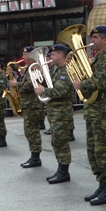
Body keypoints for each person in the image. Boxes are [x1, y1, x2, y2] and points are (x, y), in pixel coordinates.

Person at [73, 25, 106, 206]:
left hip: (105, 111)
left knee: (104, 152)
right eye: (92, 37)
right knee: (93, 151)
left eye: (95, 37)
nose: (91, 41)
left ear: (105, 40)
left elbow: (100, 81)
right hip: (94, 110)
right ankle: (102, 185)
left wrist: (81, 84)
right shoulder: (96, 59)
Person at [34, 44, 74, 184]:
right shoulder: (56, 69)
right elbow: (47, 84)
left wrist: (43, 91)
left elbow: (60, 91)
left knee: (61, 142)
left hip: (61, 112)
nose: (50, 57)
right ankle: (61, 169)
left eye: (53, 54)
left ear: (61, 55)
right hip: (54, 112)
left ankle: (64, 172)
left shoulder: (65, 71)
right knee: (56, 141)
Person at [10, 47, 44, 168]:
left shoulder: (34, 68)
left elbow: (30, 85)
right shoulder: (28, 68)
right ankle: (34, 156)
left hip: (32, 104)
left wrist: (16, 84)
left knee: (32, 131)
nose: (23, 56)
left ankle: (36, 157)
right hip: (28, 104)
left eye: (25, 54)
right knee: (29, 131)